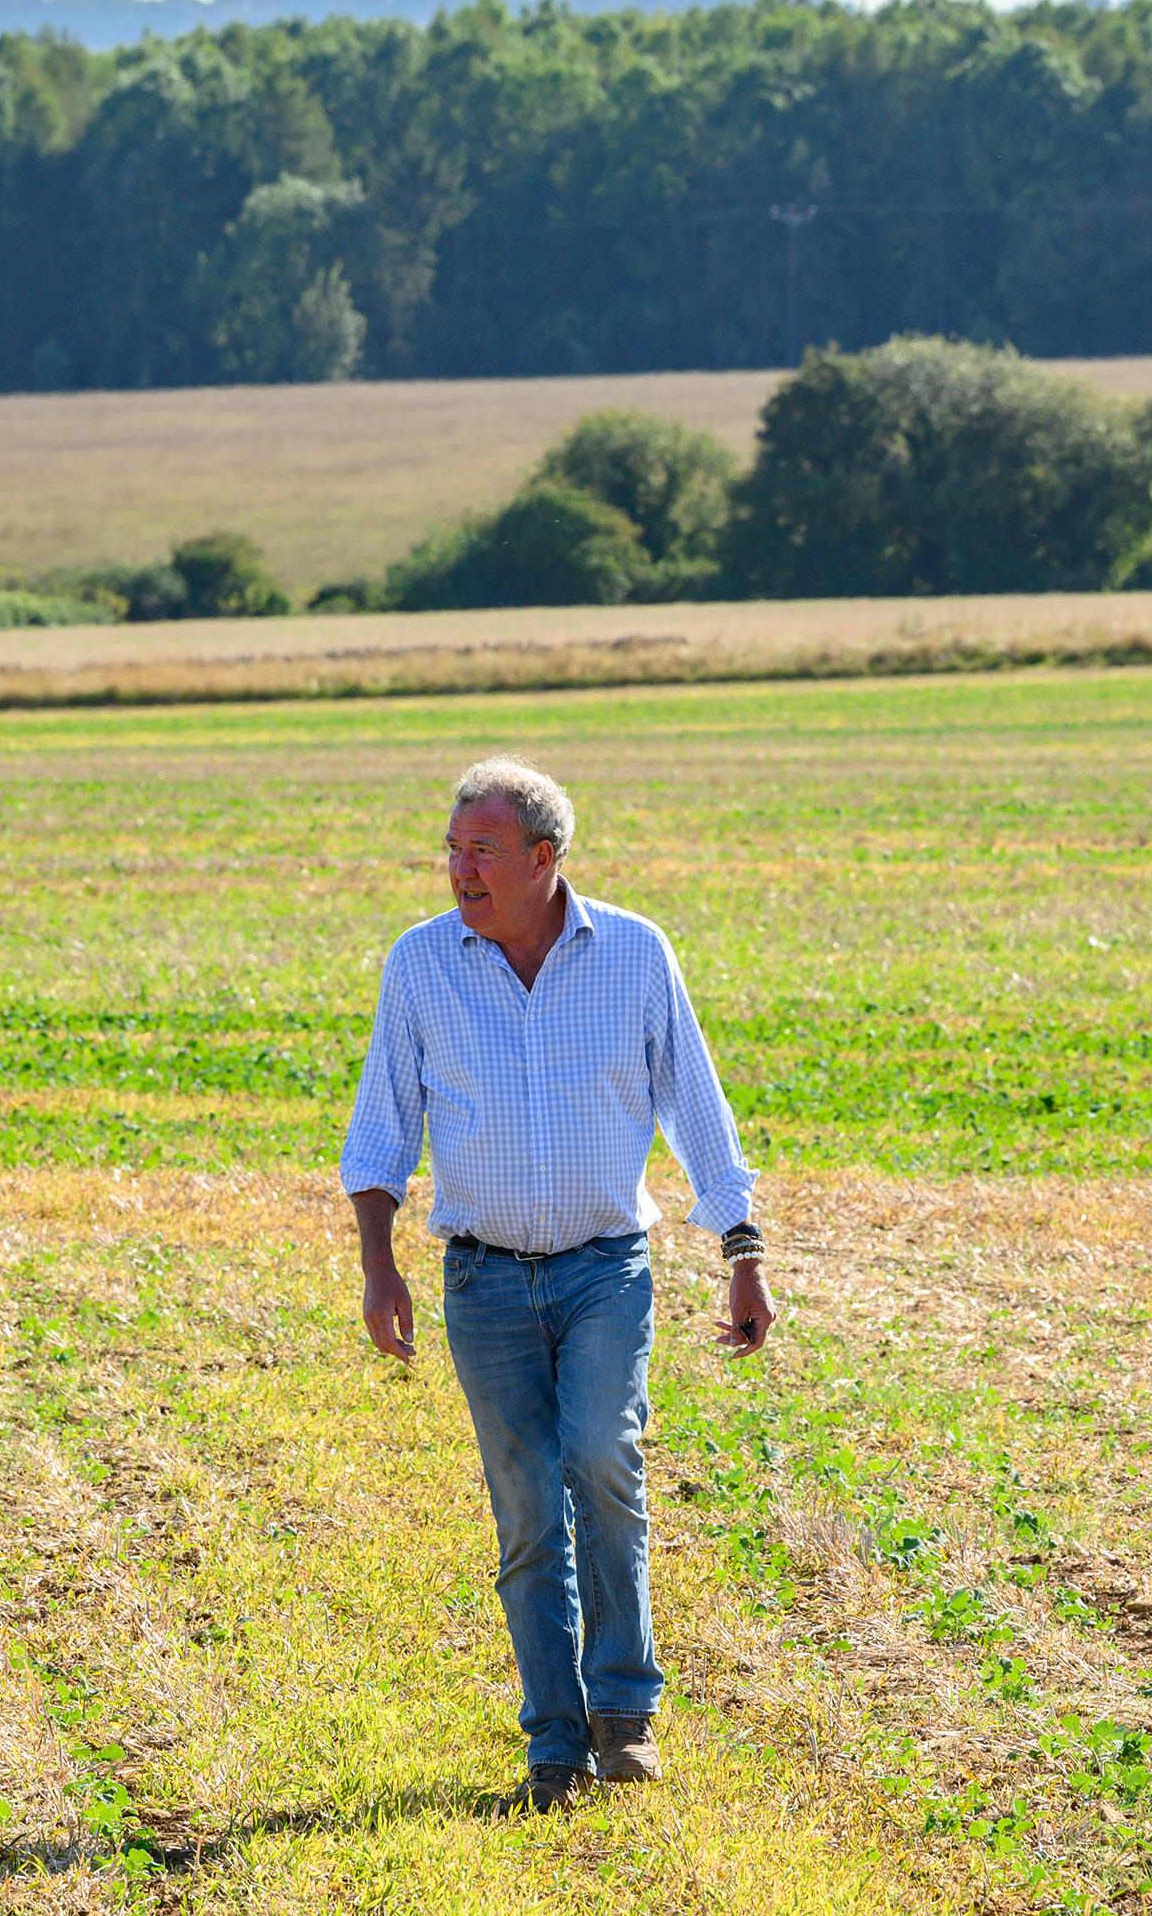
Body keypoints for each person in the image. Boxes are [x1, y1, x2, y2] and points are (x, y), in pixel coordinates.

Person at [338, 755, 776, 1814]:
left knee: (602, 1460)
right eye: (450, 850)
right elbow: (383, 1123)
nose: (457, 871)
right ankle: (554, 1739)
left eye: (479, 851)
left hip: (602, 1271)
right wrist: (377, 1263)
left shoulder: (632, 954)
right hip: (480, 1281)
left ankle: (625, 1708)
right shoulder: (420, 965)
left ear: (544, 859)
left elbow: (697, 1107)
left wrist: (743, 1249)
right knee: (528, 1508)